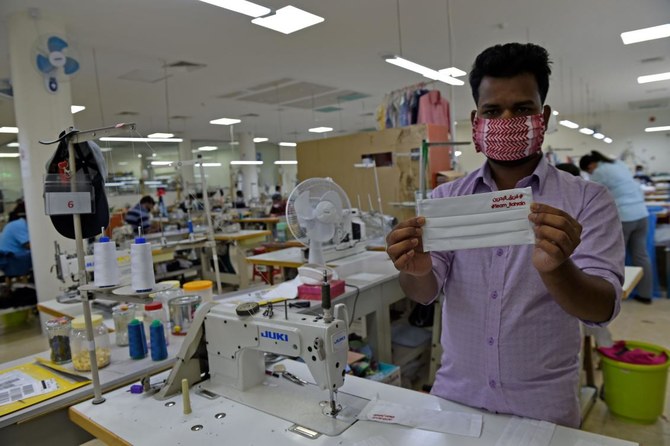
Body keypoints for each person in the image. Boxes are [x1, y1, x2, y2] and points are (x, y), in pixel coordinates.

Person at [385, 43, 624, 428]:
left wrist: (558, 270)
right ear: (477, 120)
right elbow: (424, 292)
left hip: (544, 409)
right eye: (493, 111)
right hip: (456, 398)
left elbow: (602, 309)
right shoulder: (447, 199)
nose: (507, 119)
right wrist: (414, 269)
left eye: (523, 108)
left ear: (542, 116)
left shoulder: (586, 200)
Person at [580, 151, 653, 304]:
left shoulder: (599, 172)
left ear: (591, 165)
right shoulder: (618, 164)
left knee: (615, 258)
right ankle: (646, 294)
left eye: (588, 171)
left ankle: (615, 297)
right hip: (641, 213)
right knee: (641, 255)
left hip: (625, 216)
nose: (590, 173)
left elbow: (589, 194)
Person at [0, 201, 32, 274]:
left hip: (9, 259)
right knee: (39, 254)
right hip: (12, 260)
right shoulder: (19, 225)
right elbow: (28, 245)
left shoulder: (16, 224)